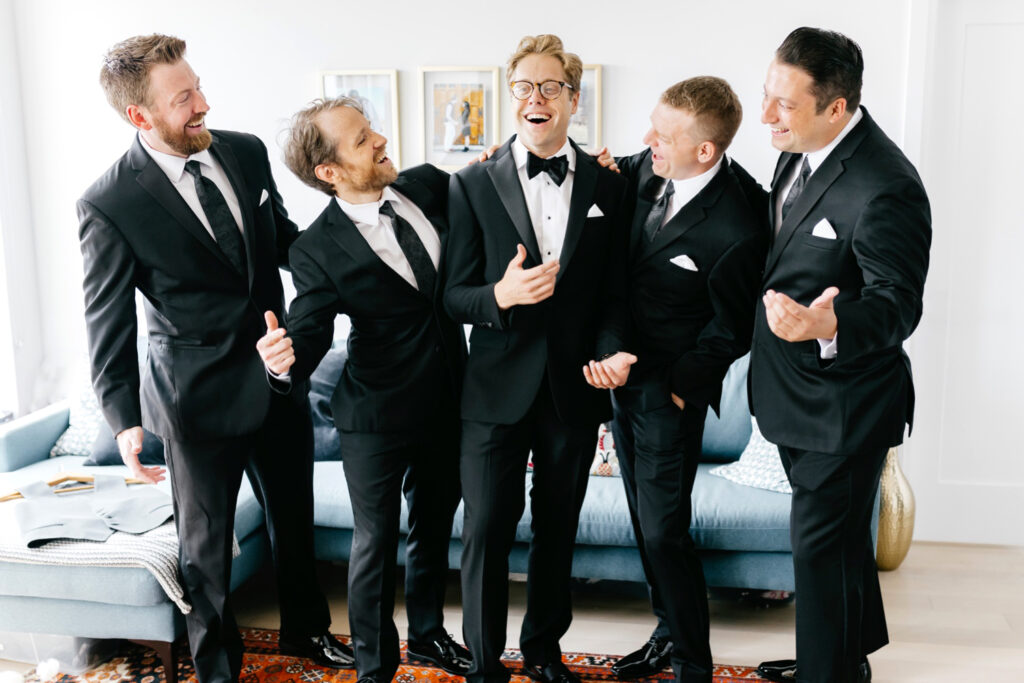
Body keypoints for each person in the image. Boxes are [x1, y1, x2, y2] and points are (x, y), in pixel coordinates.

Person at [78, 34, 351, 683]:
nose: (203, 103)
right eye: (184, 98)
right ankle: (218, 666)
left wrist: (356, 239)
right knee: (206, 553)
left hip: (275, 377)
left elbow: (284, 241)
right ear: (139, 116)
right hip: (194, 402)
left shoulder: (244, 151)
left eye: (198, 86)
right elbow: (106, 319)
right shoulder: (108, 203)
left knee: (294, 521)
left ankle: (308, 632)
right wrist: (123, 419)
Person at [255, 96, 472, 683]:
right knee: (375, 545)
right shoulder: (315, 248)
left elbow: (498, 190)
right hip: (375, 413)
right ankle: (375, 669)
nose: (378, 140)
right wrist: (282, 361)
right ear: (328, 172)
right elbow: (309, 329)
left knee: (434, 527)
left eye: (371, 129)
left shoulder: (429, 186)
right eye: (360, 140)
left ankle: (428, 638)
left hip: (451, 399)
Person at [443, 34, 632, 683]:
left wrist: (610, 351)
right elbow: (452, 294)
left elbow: (614, 294)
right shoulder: (470, 183)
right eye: (524, 85)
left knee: (557, 530)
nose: (536, 97)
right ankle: (484, 662)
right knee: (488, 529)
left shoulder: (610, 184)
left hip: (572, 388)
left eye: (550, 86)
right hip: (493, 388)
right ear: (511, 96)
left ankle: (545, 653)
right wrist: (500, 293)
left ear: (573, 99)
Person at [751, 27, 931, 683]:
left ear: (836, 106)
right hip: (793, 396)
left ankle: (825, 669)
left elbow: (897, 304)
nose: (766, 115)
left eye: (784, 104)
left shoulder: (888, 186)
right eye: (766, 95)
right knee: (841, 543)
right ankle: (847, 658)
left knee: (819, 550)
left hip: (846, 402)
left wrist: (831, 324)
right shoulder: (794, 150)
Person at [598, 77, 768, 683]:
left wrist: (681, 384)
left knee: (667, 530)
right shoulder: (644, 166)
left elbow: (733, 327)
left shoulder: (743, 224)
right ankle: (666, 632)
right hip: (621, 378)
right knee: (644, 522)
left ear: (706, 150)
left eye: (664, 136)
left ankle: (694, 662)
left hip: (671, 390)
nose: (647, 143)